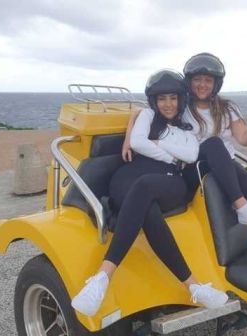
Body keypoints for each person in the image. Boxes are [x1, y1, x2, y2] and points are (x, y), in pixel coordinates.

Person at [71, 69, 229, 317]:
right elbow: (137, 143)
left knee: (145, 187)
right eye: (162, 98)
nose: (168, 104)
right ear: (154, 100)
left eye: (173, 98)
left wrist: (159, 145)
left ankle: (103, 274)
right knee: (147, 209)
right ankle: (194, 286)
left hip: (168, 180)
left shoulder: (187, 130)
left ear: (181, 99)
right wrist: (170, 154)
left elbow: (190, 155)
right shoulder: (146, 115)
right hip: (128, 177)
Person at [122, 53, 247, 257]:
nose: (202, 85)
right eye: (197, 79)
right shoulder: (182, 105)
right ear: (189, 82)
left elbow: (244, 139)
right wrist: (128, 138)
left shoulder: (227, 108)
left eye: (208, 80)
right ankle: (242, 207)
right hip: (193, 163)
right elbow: (141, 111)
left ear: (216, 84)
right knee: (214, 144)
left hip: (222, 162)